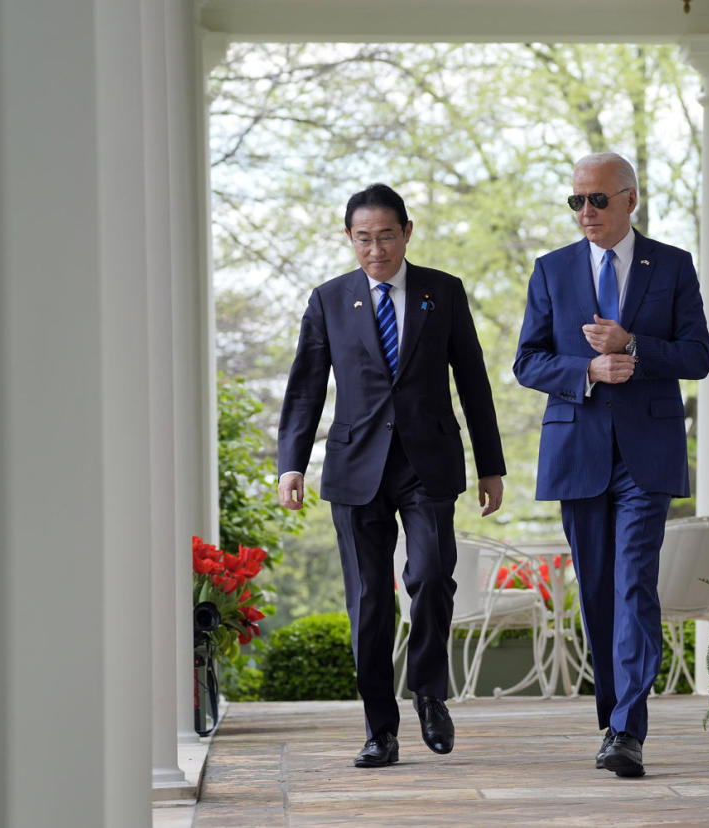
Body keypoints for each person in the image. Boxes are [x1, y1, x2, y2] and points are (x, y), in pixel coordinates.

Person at [277, 183, 505, 768]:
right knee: (369, 601)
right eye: (363, 239)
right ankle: (381, 729)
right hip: (355, 469)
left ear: (407, 231)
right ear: (348, 238)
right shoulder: (330, 300)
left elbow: (473, 381)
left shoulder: (443, 292)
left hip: (427, 463)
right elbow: (306, 386)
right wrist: (291, 462)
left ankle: (429, 692)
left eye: (385, 236)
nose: (375, 249)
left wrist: (491, 464)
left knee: (431, 576)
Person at [513, 152, 709, 777]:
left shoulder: (673, 266)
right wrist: (587, 370)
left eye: (597, 200)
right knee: (597, 590)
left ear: (630, 200)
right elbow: (527, 362)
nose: (585, 213)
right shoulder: (552, 270)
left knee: (633, 586)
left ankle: (628, 730)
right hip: (578, 451)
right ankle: (614, 718)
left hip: (646, 457)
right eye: (576, 201)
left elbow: (698, 356)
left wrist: (633, 347)